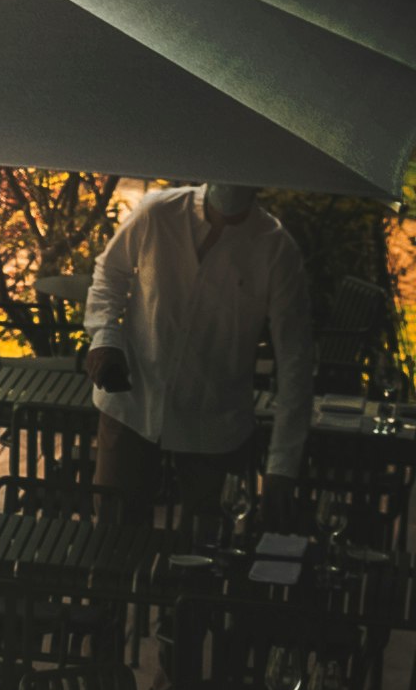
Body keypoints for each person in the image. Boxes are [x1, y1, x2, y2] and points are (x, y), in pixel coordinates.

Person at [86, 181, 312, 524]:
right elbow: (109, 273)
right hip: (133, 400)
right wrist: (105, 336)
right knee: (114, 534)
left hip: (213, 420)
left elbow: (295, 358)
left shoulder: (276, 249)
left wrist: (282, 465)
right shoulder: (158, 212)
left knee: (206, 547)